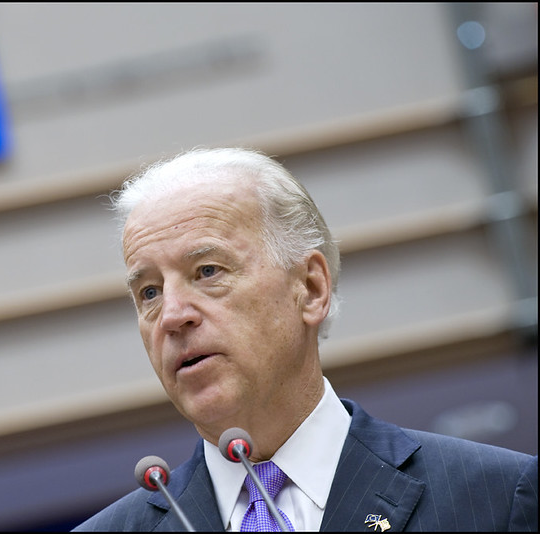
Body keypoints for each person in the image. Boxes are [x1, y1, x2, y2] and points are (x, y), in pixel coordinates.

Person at [73, 147, 538, 532]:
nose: (172, 316)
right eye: (149, 292)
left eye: (208, 271)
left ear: (311, 288)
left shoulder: (495, 496)